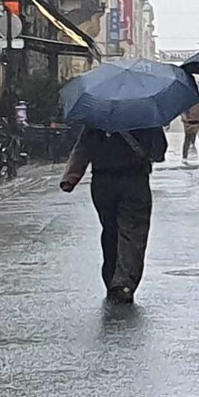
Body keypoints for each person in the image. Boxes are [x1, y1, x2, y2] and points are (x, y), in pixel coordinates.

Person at [60, 125, 167, 304]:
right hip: (135, 180)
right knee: (132, 232)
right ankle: (124, 282)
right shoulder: (145, 115)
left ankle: (111, 277)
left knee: (110, 229)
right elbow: (159, 152)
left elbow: (83, 147)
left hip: (103, 181)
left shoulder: (98, 115)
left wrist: (70, 177)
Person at [181, 97, 199, 162]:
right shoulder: (188, 97)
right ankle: (185, 157)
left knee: (190, 138)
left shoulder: (188, 96)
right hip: (191, 120)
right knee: (188, 138)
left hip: (196, 120)